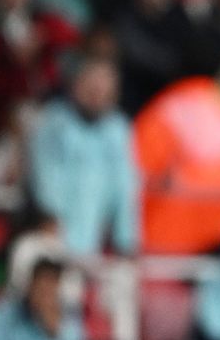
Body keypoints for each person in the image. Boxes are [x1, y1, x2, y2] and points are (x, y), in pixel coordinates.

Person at [26, 56, 140, 259]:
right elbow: (45, 178)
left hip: (97, 245)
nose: (97, 92)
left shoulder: (119, 130)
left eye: (104, 86)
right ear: (75, 84)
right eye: (91, 84)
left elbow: (126, 188)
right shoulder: (53, 122)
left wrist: (126, 241)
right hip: (55, 238)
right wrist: (52, 220)